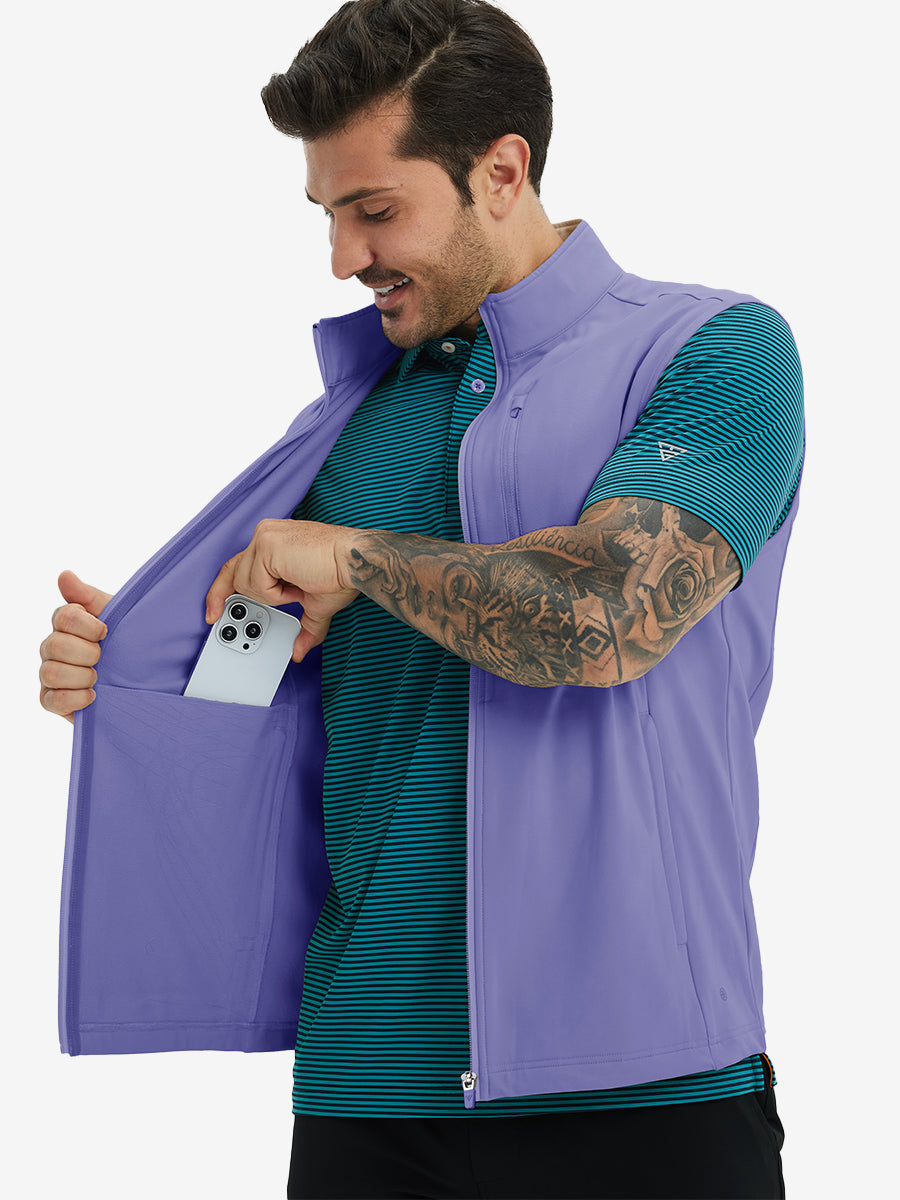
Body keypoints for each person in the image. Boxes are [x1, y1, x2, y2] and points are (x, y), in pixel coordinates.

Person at [40, 1, 803, 1196]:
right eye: (328, 214)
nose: (343, 257)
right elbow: (260, 683)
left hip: (646, 1085)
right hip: (366, 1091)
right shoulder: (351, 419)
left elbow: (608, 617)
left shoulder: (712, 352)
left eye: (375, 210)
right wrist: (130, 683)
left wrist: (358, 560)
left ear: (501, 172)